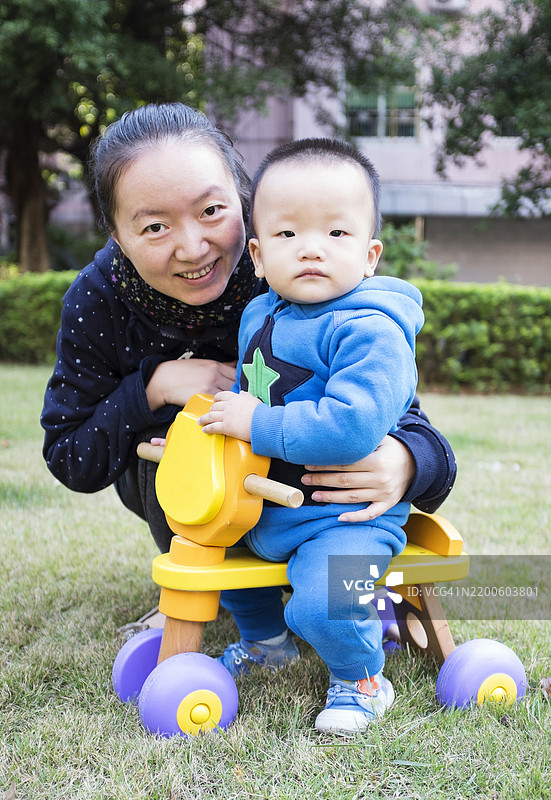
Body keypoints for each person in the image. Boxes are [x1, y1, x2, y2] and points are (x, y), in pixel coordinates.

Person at [40, 103, 456, 695]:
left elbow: (390, 404)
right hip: (212, 493)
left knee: (329, 577)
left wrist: (410, 460)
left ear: (244, 204)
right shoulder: (98, 300)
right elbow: (70, 455)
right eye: (154, 226)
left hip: (320, 498)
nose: (192, 246)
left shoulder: (293, 273)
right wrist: (152, 388)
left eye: (212, 211)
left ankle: (342, 622)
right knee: (178, 446)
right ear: (116, 234)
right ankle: (220, 599)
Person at [197, 137, 424, 734]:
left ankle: (363, 678)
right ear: (257, 254)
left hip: (346, 515)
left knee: (325, 602)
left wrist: (258, 425)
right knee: (218, 552)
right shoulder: (259, 315)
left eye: (337, 234)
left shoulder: (370, 329)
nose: (312, 250)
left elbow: (352, 427)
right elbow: (242, 405)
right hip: (267, 508)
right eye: (288, 235)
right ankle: (268, 642)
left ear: (371, 254)